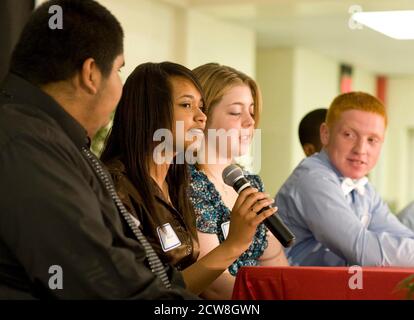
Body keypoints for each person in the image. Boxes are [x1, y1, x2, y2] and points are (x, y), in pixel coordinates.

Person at [0, 0, 196, 299]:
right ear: (91, 74)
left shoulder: (54, 140)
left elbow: (132, 259)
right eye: (119, 70)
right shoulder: (26, 143)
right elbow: (99, 279)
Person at [100, 62, 276, 297]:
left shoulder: (176, 182)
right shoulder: (116, 186)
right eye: (186, 105)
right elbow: (154, 293)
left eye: (201, 107)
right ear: (151, 111)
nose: (201, 117)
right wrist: (234, 244)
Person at [275, 91, 414, 266]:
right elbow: (361, 249)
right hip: (287, 291)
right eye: (349, 135)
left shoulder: (364, 188)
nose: (361, 149)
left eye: (372, 139)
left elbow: (403, 235)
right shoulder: (313, 178)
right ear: (325, 134)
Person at [189, 63, 288, 299]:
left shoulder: (250, 184)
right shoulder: (188, 184)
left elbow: (275, 261)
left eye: (252, 112)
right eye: (236, 112)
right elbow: (214, 285)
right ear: (202, 115)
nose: (250, 121)